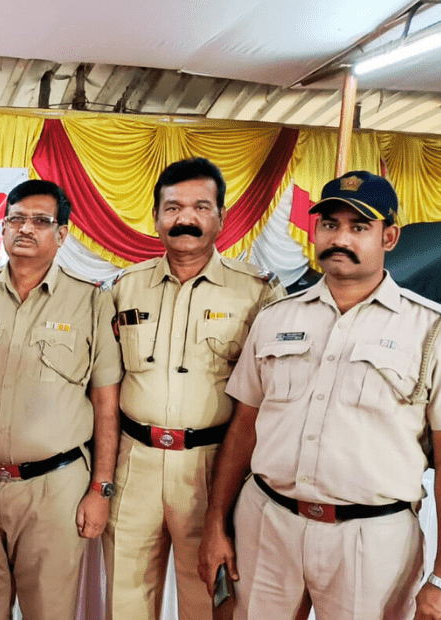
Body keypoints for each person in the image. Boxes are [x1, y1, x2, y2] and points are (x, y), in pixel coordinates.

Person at [199, 171, 441, 620]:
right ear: (315, 231)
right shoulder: (275, 318)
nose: (340, 238)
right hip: (268, 524)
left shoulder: (435, 330)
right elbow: (244, 428)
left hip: (372, 542)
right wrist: (216, 524)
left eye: (359, 227)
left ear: (389, 237)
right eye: (330, 224)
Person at [104, 157, 283, 620]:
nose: (185, 218)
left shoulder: (257, 293)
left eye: (201, 207)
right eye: (173, 207)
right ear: (157, 216)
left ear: (221, 216)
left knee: (207, 598)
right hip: (133, 462)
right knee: (125, 598)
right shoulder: (124, 288)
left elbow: (271, 397)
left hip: (212, 467)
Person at [0, 179, 122, 619]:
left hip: (53, 491)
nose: (25, 228)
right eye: (15, 218)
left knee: (50, 612)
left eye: (41, 221)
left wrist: (101, 489)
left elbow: (106, 407)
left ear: (61, 235)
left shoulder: (91, 303)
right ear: (1, 229)